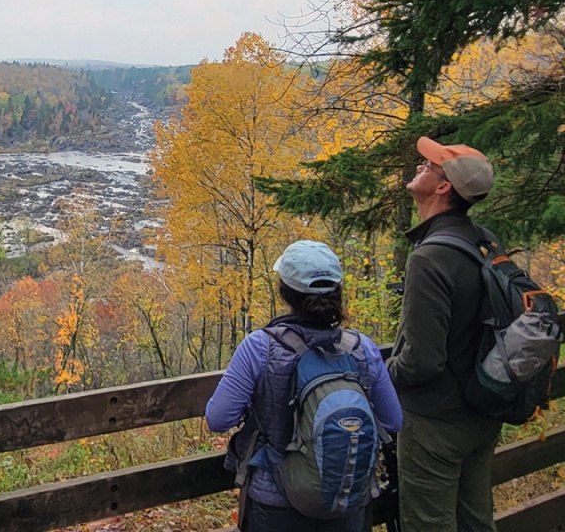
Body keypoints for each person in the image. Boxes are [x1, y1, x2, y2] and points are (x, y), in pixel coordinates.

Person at [206, 240, 403, 532]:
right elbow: (393, 420)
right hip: (346, 503)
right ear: (337, 292)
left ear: (284, 292)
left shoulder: (261, 347)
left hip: (275, 504)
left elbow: (218, 419)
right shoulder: (362, 348)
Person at [386, 136, 502, 532]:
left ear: (442, 187)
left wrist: (382, 376)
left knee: (429, 526)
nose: (420, 167)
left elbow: (421, 361)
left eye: (429, 166)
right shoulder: (483, 241)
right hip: (482, 412)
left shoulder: (430, 257)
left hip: (435, 424)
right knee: (476, 522)